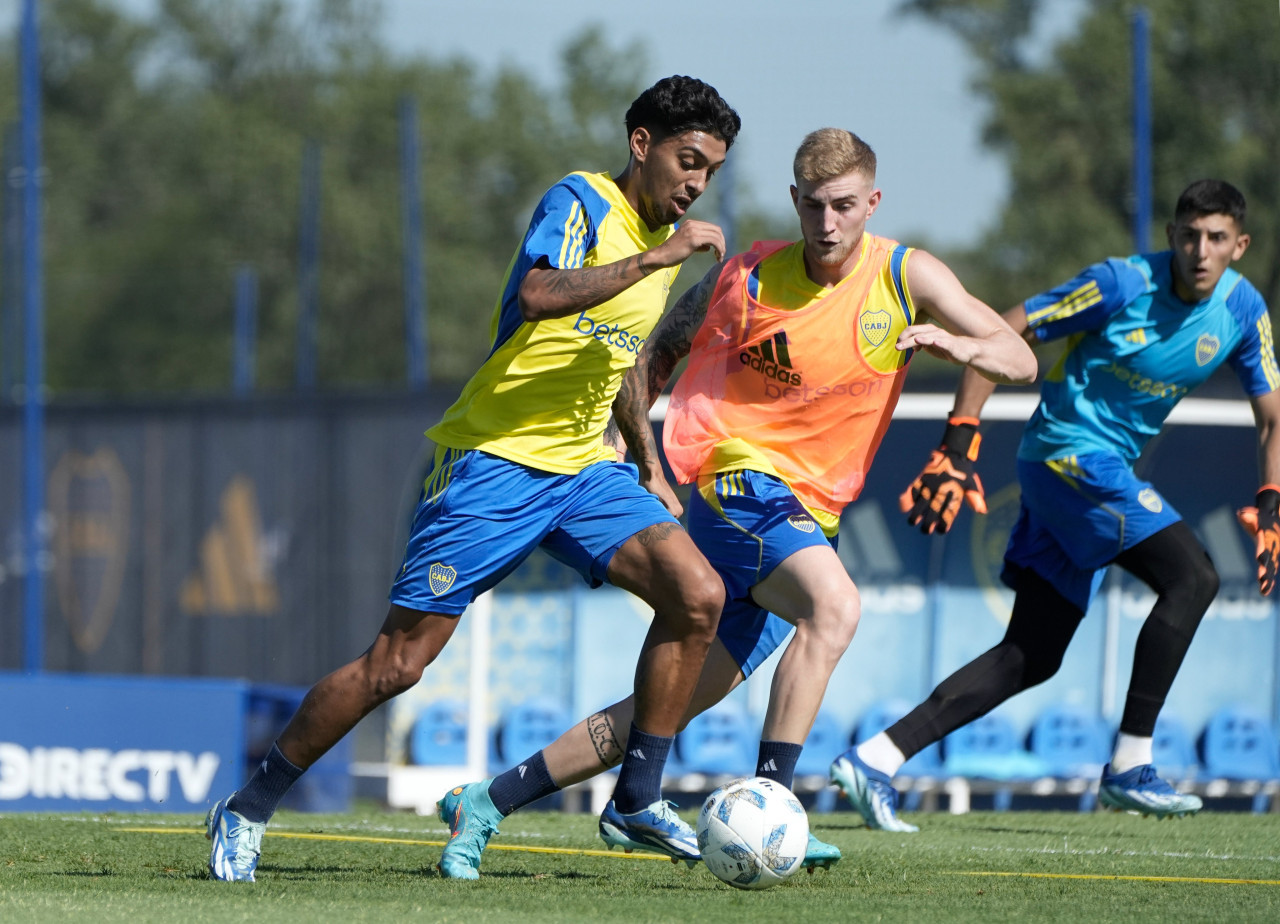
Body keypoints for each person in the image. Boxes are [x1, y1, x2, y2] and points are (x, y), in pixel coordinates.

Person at [433, 127, 1037, 878]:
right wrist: (632, 452)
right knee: (835, 607)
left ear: (872, 203)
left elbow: (1020, 355)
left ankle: (489, 799)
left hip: (807, 512)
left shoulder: (907, 275)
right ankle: (774, 803)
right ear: (794, 200)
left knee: (663, 708)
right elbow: (654, 355)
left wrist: (963, 347)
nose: (827, 223)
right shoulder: (748, 274)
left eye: (844, 206)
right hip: (736, 486)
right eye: (812, 205)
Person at [205, 75, 742, 882]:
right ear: (643, 145)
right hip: (494, 460)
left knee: (697, 594)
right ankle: (246, 808)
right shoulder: (583, 202)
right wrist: (652, 258)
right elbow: (537, 295)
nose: (696, 183)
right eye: (686, 160)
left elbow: (623, 363)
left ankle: (635, 797)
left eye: (710, 170)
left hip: (583, 469)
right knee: (396, 666)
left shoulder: (668, 243)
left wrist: (647, 459)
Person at [832, 178, 1280, 831]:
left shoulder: (1243, 312)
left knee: (1031, 655)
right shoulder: (1120, 284)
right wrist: (959, 443)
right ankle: (1130, 763)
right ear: (1170, 237)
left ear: (1240, 245)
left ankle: (876, 757)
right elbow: (1002, 332)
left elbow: (1271, 418)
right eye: (1189, 235)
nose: (1200, 251)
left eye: (1216, 239)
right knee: (1195, 577)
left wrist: (1270, 500)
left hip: (1088, 472)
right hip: (1069, 457)